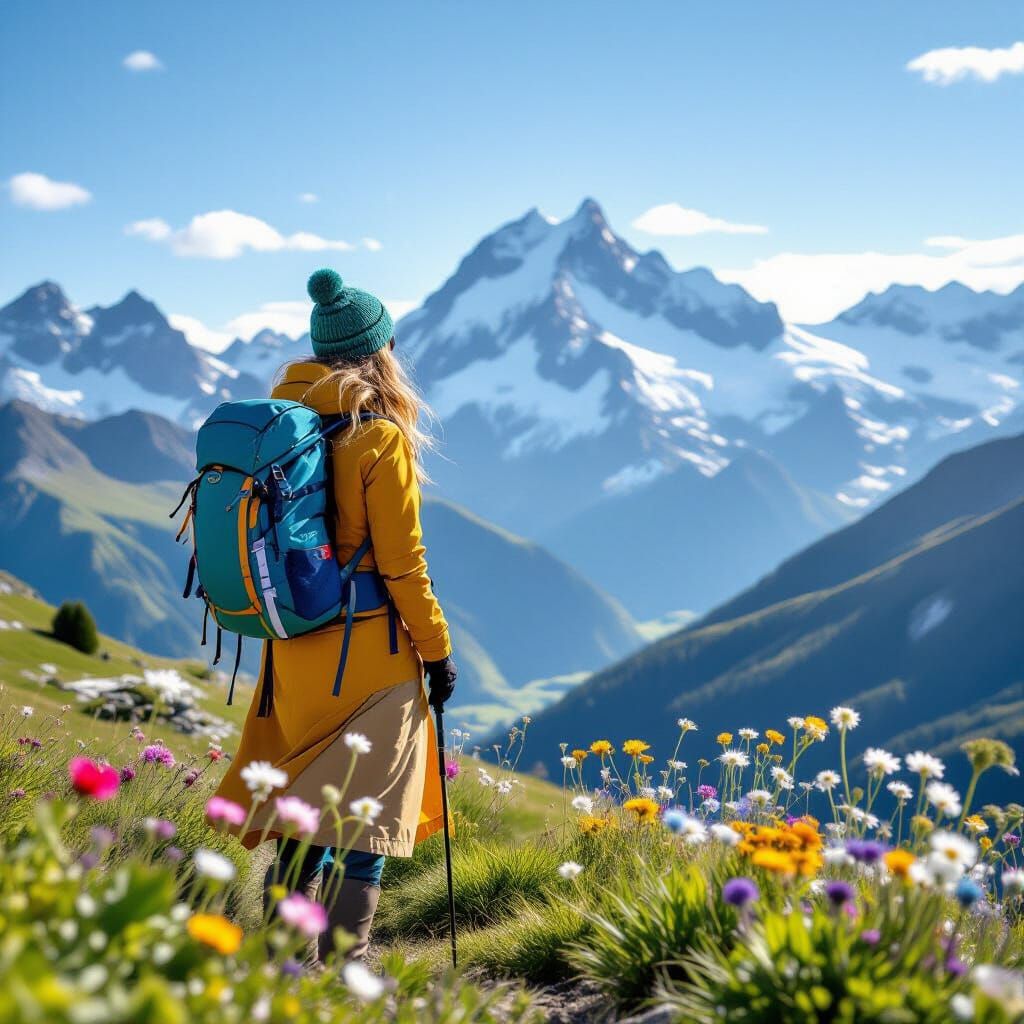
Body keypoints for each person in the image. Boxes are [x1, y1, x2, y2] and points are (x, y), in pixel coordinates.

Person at [212, 268, 458, 964]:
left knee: (303, 820)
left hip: (293, 652)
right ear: (382, 352)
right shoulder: (378, 437)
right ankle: (345, 977)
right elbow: (404, 565)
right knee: (361, 829)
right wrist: (437, 651)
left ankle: (283, 968)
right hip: (370, 657)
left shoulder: (279, 427)